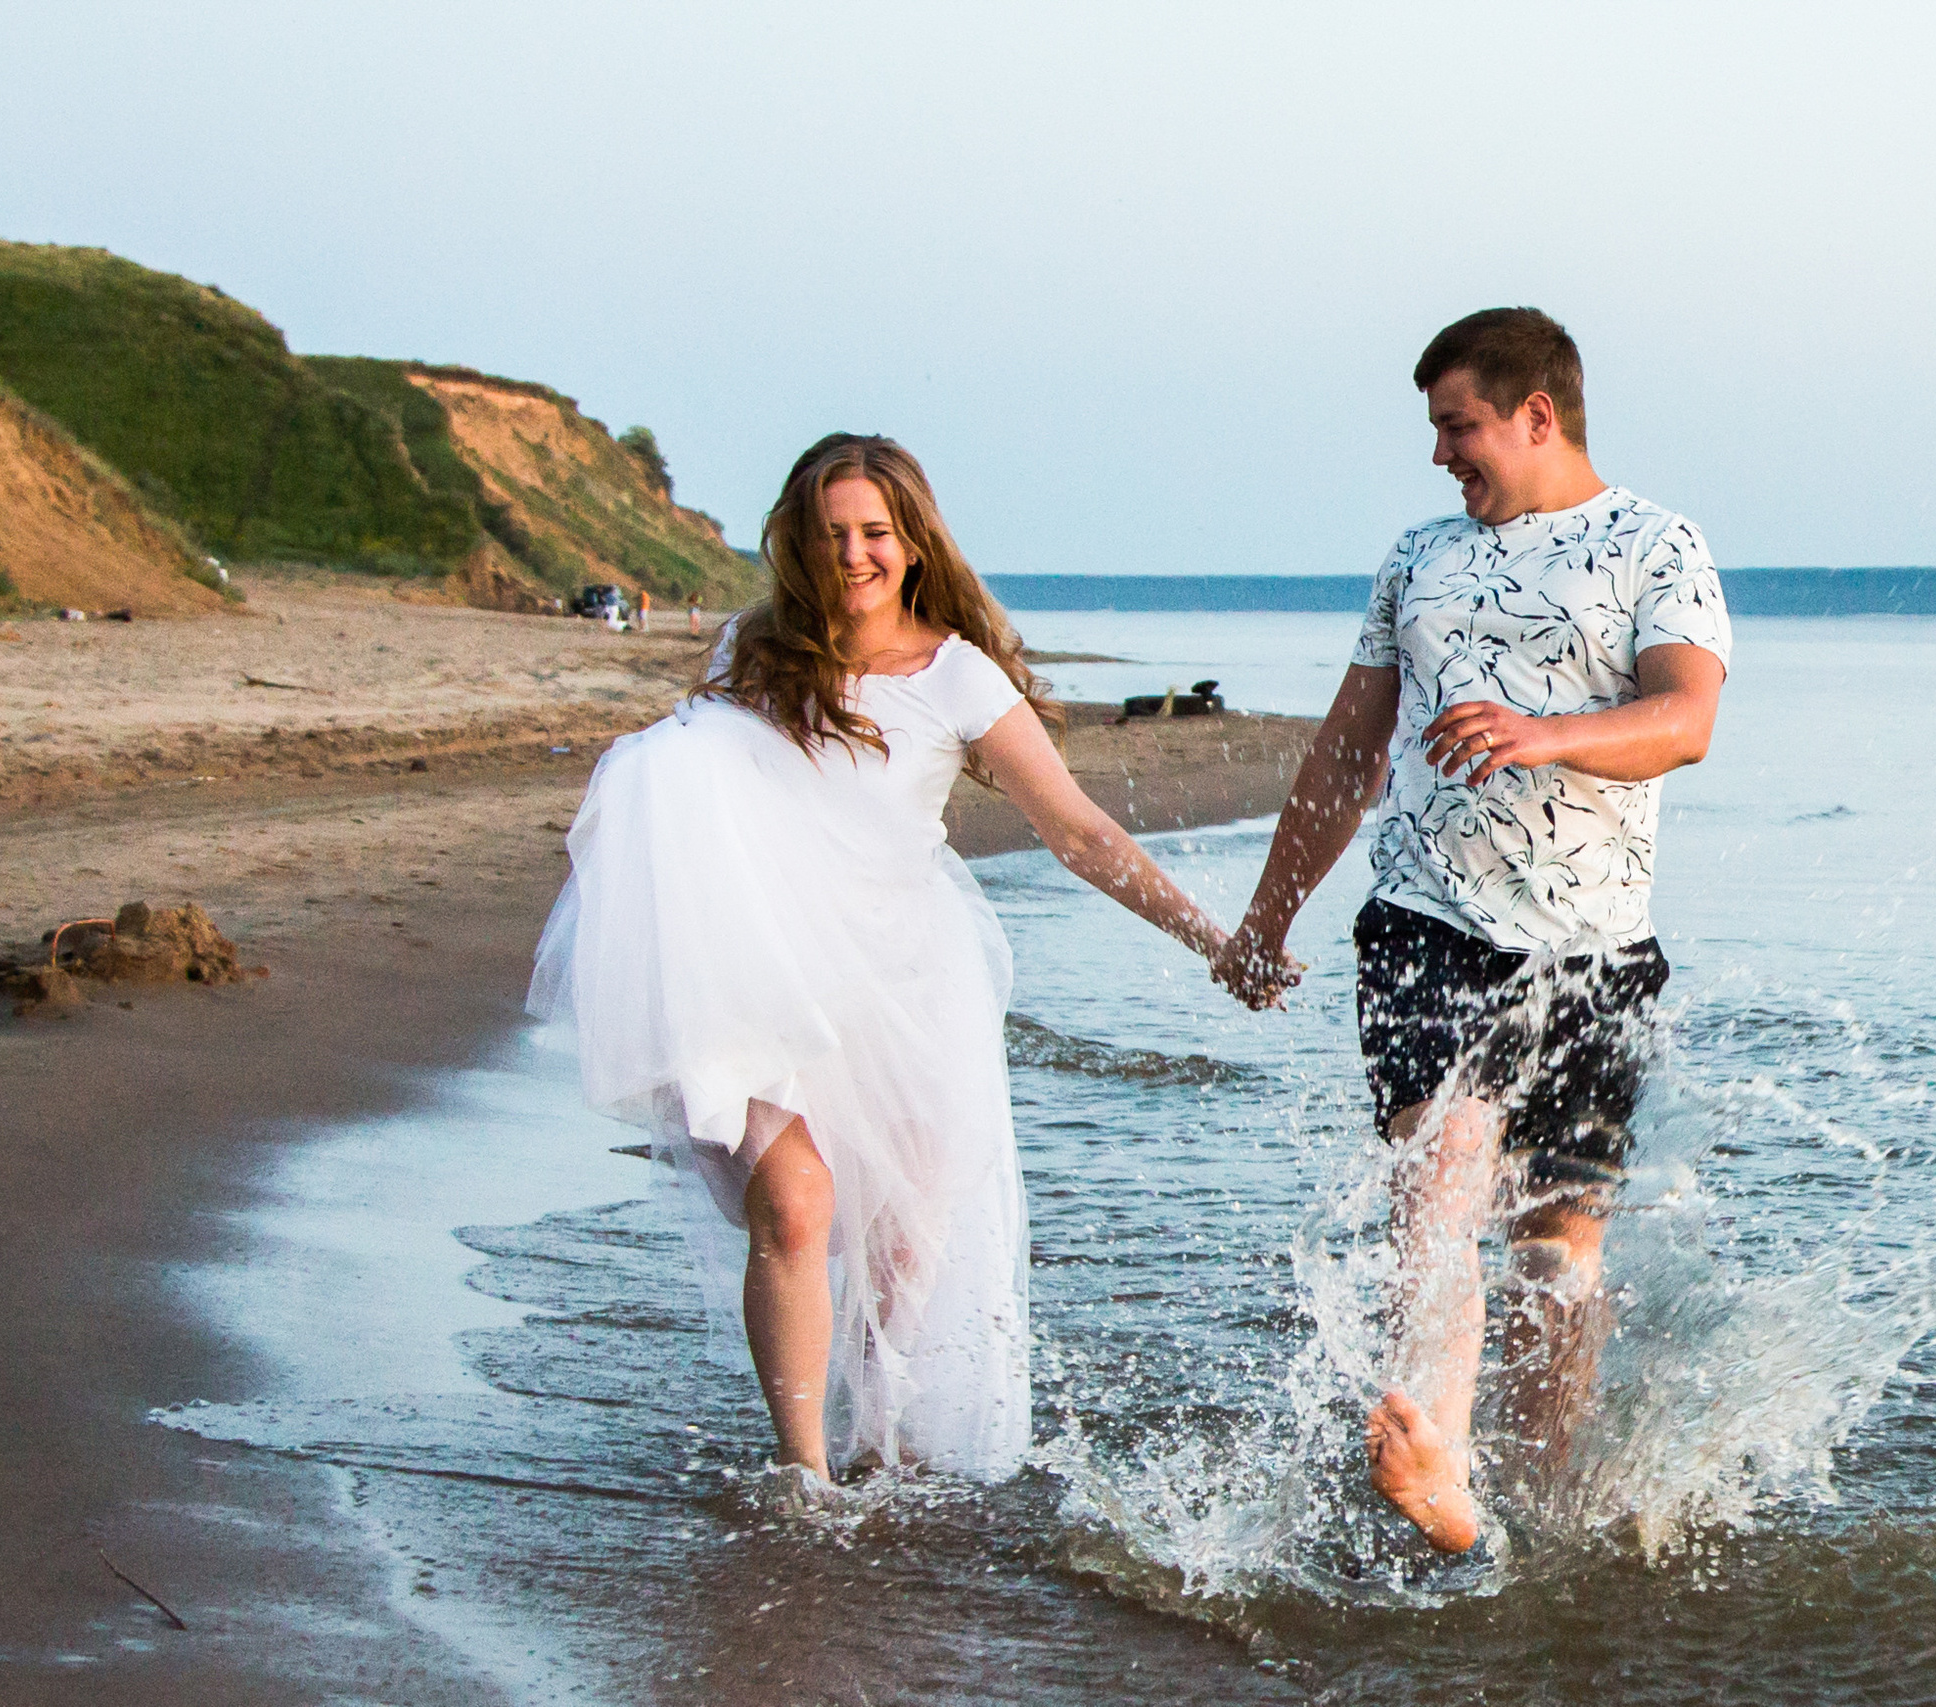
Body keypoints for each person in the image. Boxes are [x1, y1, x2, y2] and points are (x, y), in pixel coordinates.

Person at [531, 432, 1228, 1485]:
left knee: (907, 1242)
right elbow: (690, 790)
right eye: (831, 534)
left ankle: (883, 1445)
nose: (853, 554)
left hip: (907, 985)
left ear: (912, 545)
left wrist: (1212, 940)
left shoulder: (957, 677)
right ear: (800, 544)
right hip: (765, 974)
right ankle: (802, 1473)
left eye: (875, 534)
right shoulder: (750, 652)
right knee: (798, 1204)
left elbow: (1079, 833)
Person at [1211, 308, 1731, 1552]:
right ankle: (1436, 1465)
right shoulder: (1417, 560)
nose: (1443, 453)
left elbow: (1686, 718)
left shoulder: (1656, 546)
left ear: (1535, 416)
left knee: (1560, 1243)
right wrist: (1266, 915)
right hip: (1424, 923)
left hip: (1596, 950)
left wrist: (1542, 733)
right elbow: (1347, 752)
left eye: (1460, 426)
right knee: (1438, 1178)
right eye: (1439, 429)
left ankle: (1537, 1508)